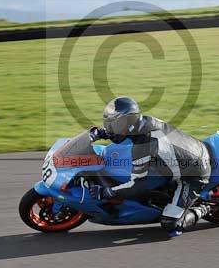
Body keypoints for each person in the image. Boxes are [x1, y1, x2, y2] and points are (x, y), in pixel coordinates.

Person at [87, 96, 211, 236]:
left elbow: (137, 186)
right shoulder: (142, 122)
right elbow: (123, 130)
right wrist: (103, 133)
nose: (112, 128)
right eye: (111, 124)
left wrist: (107, 192)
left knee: (170, 224)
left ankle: (203, 208)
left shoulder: (143, 146)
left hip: (194, 174)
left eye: (115, 125)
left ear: (129, 122)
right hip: (186, 154)